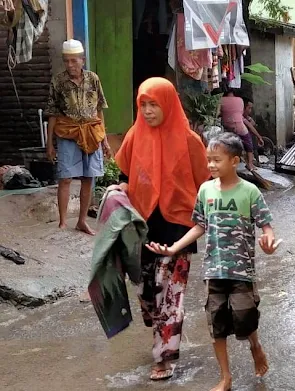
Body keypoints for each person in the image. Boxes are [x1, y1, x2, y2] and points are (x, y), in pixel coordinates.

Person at [145, 132, 279, 391]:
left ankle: (256, 346)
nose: (211, 165)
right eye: (209, 160)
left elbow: (267, 227)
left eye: (217, 160)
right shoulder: (205, 190)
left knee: (245, 318)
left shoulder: (250, 192)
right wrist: (173, 248)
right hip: (214, 270)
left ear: (235, 161)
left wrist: (269, 244)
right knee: (216, 323)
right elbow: (199, 226)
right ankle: (225, 377)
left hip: (242, 272)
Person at [111, 77, 211, 381]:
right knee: (147, 291)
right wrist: (119, 189)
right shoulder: (134, 135)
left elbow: (206, 184)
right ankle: (161, 331)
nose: (148, 111)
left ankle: (165, 358)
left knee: (170, 295)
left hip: (178, 228)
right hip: (142, 228)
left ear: (167, 103)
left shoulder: (190, 140)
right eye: (143, 104)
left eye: (154, 104)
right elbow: (125, 175)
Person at [45, 39, 111, 235]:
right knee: (65, 178)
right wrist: (50, 143)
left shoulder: (93, 79)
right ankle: (63, 222)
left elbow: (99, 111)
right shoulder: (58, 81)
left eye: (74, 61)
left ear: (83, 60)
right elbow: (52, 114)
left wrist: (105, 141)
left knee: (88, 178)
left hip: (91, 133)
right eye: (66, 61)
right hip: (67, 132)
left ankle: (82, 221)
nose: (70, 65)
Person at [219, 89, 260, 171]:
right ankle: (250, 164)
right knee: (249, 144)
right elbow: (249, 126)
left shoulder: (221, 100)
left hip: (227, 128)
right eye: (249, 108)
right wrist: (259, 137)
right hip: (239, 127)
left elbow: (218, 113)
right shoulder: (239, 101)